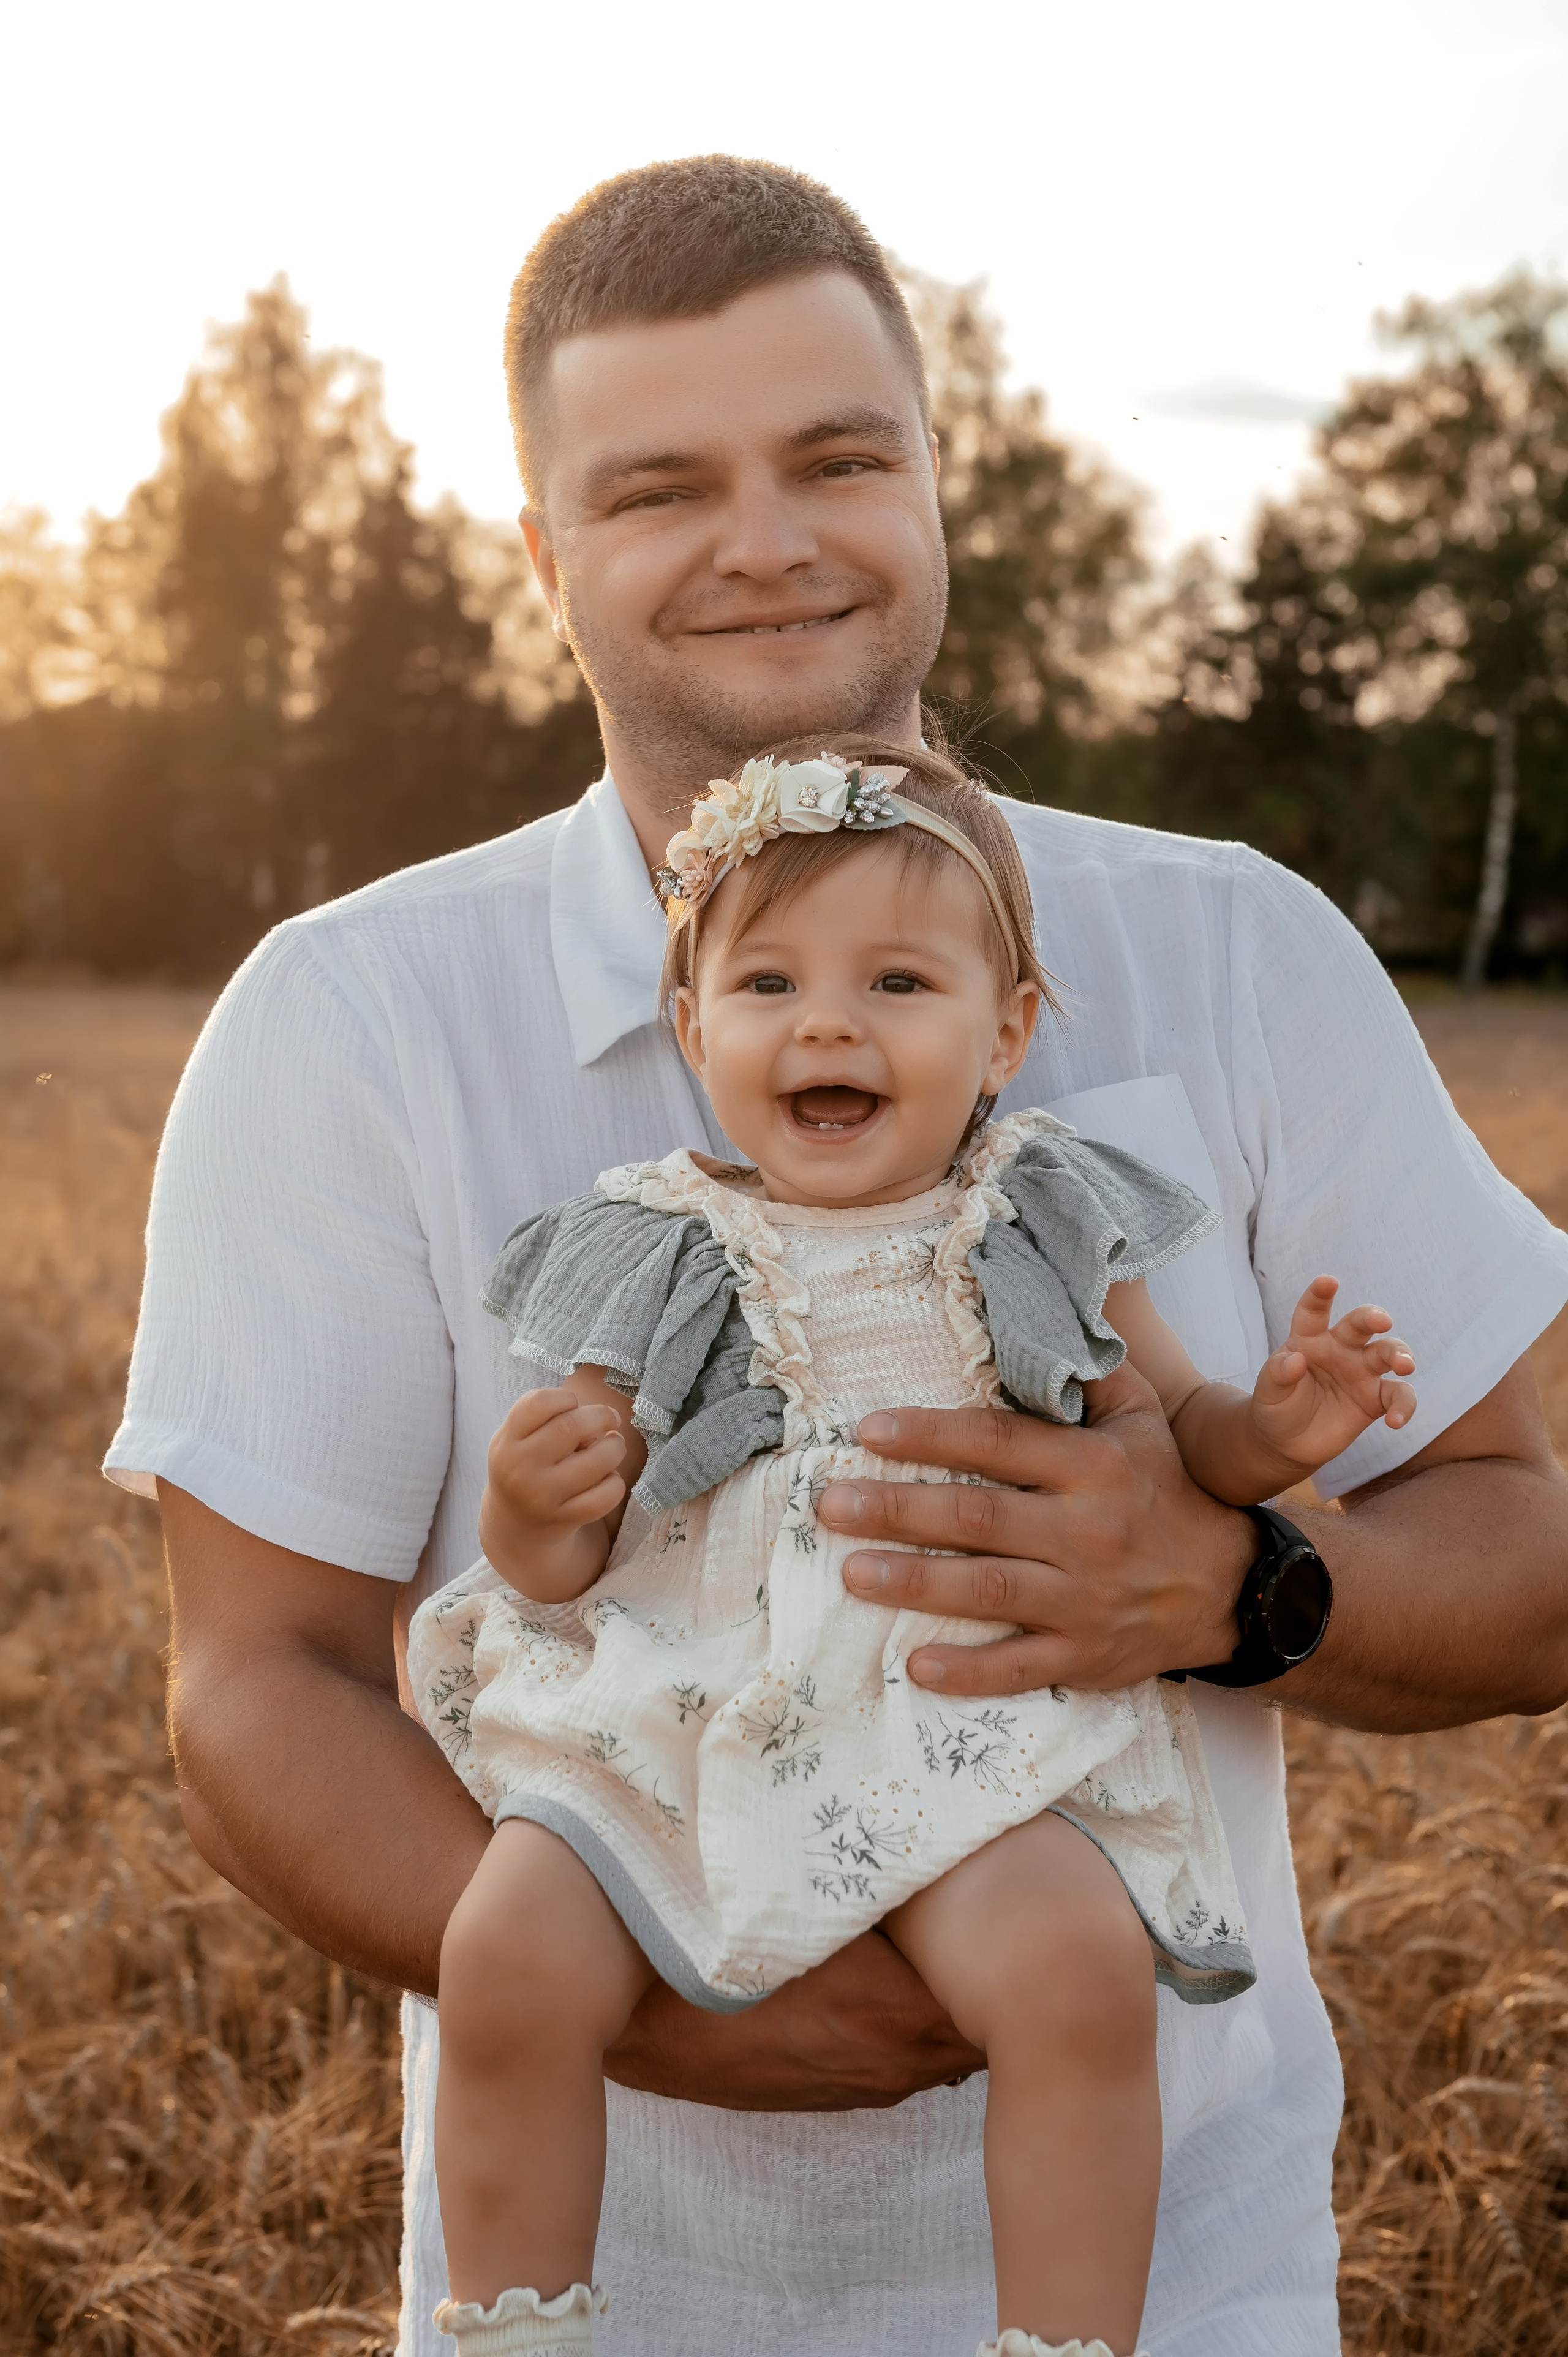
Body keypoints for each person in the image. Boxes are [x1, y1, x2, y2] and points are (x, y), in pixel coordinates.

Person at [104, 157, 1568, 2357]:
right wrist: (680, 2005)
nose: (771, 539)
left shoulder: (1239, 944)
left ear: (933, 480)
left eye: (839, 456)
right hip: (619, 2305)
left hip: (1187, 2290)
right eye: (663, 483)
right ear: (544, 553)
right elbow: (258, 1690)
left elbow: (1531, 1545)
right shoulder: (349, 1020)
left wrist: (1241, 1583)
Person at [411, 736, 1421, 2357]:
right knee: (507, 1947)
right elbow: (559, 1559)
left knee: (1078, 1976)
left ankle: (1065, 2342)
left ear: (1004, 1029)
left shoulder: (1032, 1217)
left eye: (896, 980)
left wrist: (1283, 1431)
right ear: (691, 1027)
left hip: (958, 1709)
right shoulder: (663, 1238)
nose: (828, 1024)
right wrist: (532, 1509)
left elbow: (1182, 1433)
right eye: (766, 985)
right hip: (689, 1697)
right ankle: (513, 2329)